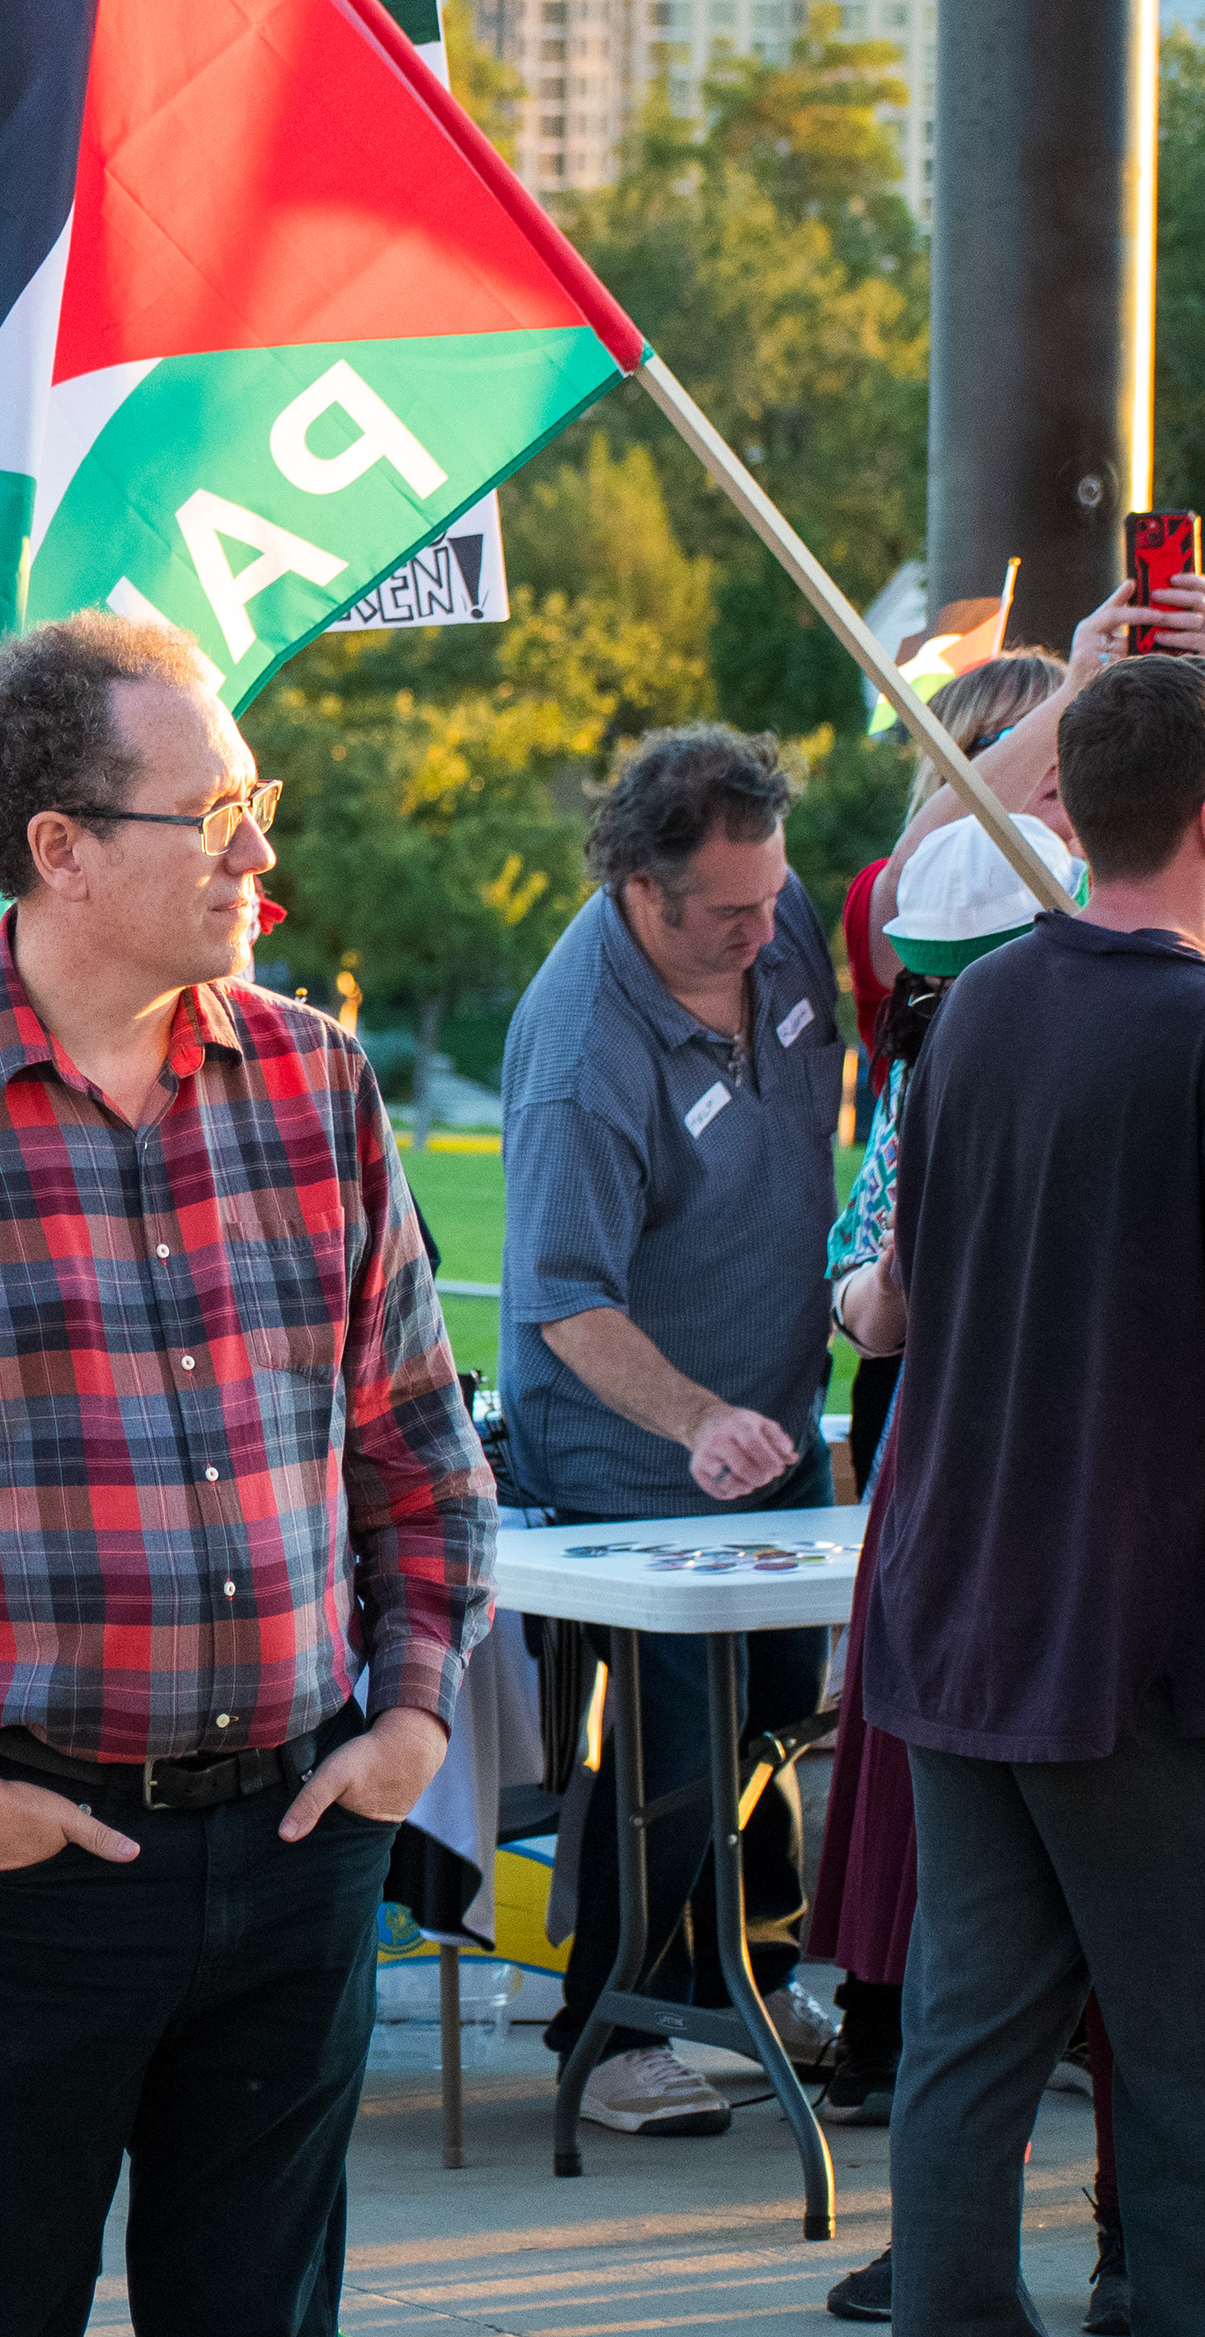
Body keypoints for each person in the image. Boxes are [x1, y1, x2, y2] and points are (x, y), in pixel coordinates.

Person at [0, 611, 494, 2337]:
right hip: (15, 1862)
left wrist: (410, 1721)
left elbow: (421, 1454)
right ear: (59, 851)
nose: (259, 848)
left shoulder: (318, 1085)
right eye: (211, 813)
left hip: (296, 1842)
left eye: (251, 799)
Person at [860, 652, 1205, 2337]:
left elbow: (900, 1286)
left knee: (969, 2037)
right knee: (1188, 2049)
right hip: (1125, 1633)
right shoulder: (1187, 1033)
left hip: (959, 1602)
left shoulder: (984, 1004)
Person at [496, 724, 845, 2136]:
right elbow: (562, 1303)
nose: (767, 933)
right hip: (636, 1457)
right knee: (668, 1750)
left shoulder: (771, 913)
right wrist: (699, 1424)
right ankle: (616, 2018)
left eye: (774, 898)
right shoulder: (585, 1051)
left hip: (769, 1420)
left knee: (774, 1721)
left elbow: (938, 809)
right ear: (642, 890)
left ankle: (752, 1986)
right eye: (729, 913)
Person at [808, 812, 1112, 2327]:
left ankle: (954, 2288)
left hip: (961, 1564)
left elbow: (876, 1302)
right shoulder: (1106, 1039)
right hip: (1089, 1585)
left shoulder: (955, 1069)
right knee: (1126, 2002)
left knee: (976, 2000)